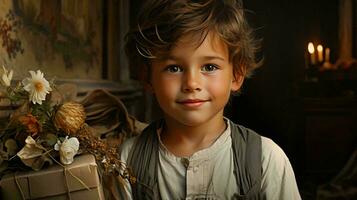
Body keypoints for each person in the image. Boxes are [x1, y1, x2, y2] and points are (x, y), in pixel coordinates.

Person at [118, 0, 301, 199]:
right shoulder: (128, 160)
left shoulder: (266, 159)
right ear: (147, 77)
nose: (191, 83)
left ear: (237, 75)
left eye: (209, 67)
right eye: (174, 68)